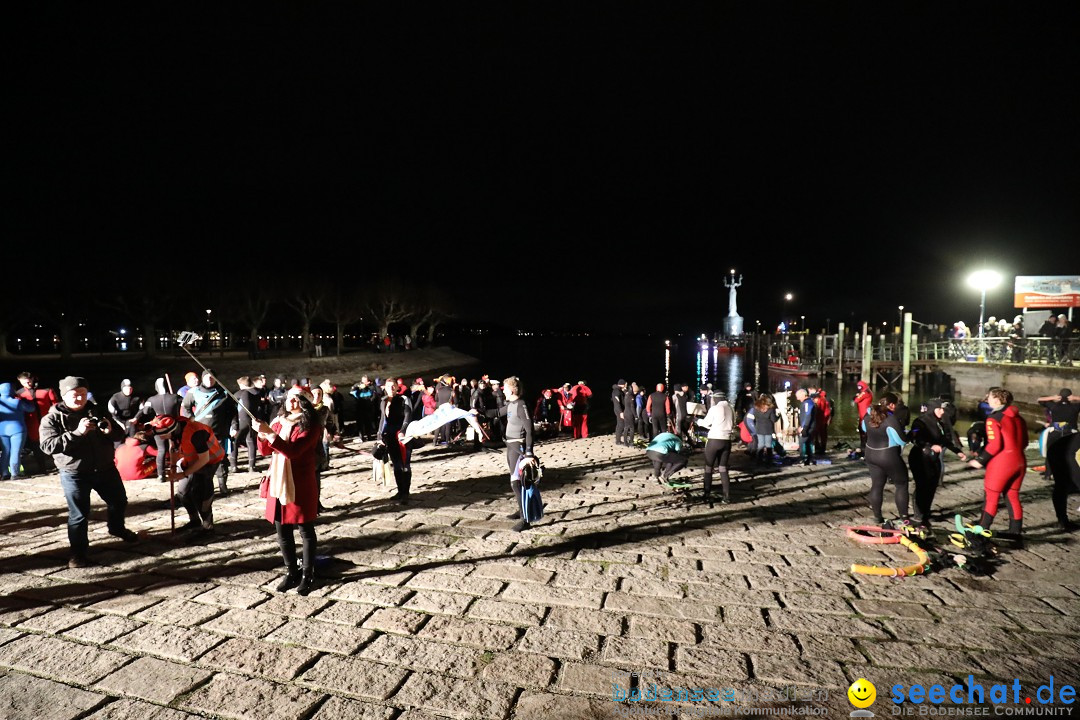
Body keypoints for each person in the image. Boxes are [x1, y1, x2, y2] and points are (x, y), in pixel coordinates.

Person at [39, 376, 140, 567]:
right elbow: (47, 445)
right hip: (74, 472)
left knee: (119, 500)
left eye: (83, 394)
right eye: (75, 395)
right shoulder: (52, 418)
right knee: (79, 514)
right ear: (64, 396)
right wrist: (77, 433)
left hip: (105, 468)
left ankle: (117, 528)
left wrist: (111, 431)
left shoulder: (97, 410)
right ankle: (78, 554)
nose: (79, 398)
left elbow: (119, 435)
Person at [258, 386, 323, 595]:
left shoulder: (311, 425)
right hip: (277, 480)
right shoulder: (279, 422)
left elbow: (293, 452)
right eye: (289, 399)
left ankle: (307, 574)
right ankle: (291, 571)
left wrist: (270, 435)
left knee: (305, 530)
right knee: (282, 531)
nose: (291, 402)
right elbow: (265, 450)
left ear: (304, 402)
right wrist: (262, 435)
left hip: (299, 483)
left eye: (296, 399)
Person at [968, 387, 1028, 539]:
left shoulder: (994, 418)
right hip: (1020, 460)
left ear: (996, 400)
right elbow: (1025, 442)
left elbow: (995, 445)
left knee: (991, 495)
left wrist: (980, 461)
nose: (987, 399)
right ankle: (1015, 530)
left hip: (1002, 462)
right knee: (1012, 495)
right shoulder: (1019, 417)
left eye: (989, 397)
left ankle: (982, 528)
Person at [151, 412, 225, 536]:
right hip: (191, 461)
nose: (161, 438)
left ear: (171, 430)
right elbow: (173, 447)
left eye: (162, 435)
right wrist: (173, 466)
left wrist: (183, 474)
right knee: (183, 492)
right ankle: (194, 521)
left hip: (209, 462)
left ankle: (208, 528)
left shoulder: (195, 433)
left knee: (201, 495)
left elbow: (204, 459)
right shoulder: (175, 431)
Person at [908, 399, 967, 528]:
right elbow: (915, 438)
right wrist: (929, 446)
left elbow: (943, 439)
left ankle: (926, 511)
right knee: (922, 485)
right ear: (932, 409)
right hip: (920, 457)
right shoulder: (920, 422)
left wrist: (957, 451)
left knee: (933, 484)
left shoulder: (939, 422)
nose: (942, 411)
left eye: (943, 409)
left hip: (933, 458)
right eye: (939, 409)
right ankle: (918, 516)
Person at [181, 368, 237, 496]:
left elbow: (233, 412)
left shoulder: (224, 393)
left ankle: (223, 486)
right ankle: (201, 485)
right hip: (200, 433)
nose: (210, 379)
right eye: (207, 377)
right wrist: (191, 420)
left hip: (219, 432)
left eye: (212, 377)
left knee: (221, 460)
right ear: (203, 379)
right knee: (200, 459)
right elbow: (186, 407)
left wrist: (233, 426)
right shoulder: (194, 392)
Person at [494, 377, 536, 532]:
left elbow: (530, 429)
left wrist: (529, 454)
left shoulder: (521, 405)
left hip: (519, 448)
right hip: (510, 446)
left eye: (504, 388)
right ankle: (521, 510)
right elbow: (497, 413)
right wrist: (476, 413)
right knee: (515, 482)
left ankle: (525, 519)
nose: (502, 390)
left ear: (511, 390)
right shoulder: (511, 405)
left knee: (517, 483)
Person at [862, 396, 911, 526]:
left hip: (870, 453)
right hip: (887, 454)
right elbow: (902, 440)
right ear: (892, 406)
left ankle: (877, 517)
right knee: (901, 484)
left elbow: (864, 429)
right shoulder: (890, 420)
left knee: (877, 485)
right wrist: (911, 434)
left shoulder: (868, 417)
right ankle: (904, 518)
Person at [136, 377, 182, 481]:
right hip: (173, 425)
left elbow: (146, 411)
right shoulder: (175, 396)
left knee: (161, 449)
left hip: (159, 425)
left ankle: (161, 475)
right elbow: (184, 404)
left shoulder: (151, 399)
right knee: (175, 448)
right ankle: (176, 473)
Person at [15, 372, 58, 475]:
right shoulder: (19, 394)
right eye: (25, 382)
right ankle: (42, 468)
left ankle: (58, 465)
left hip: (48, 422)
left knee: (54, 443)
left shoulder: (46, 390)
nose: (28, 383)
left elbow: (55, 405)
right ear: (20, 381)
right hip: (31, 424)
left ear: (33, 379)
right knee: (36, 447)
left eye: (29, 381)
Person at [696, 391, 734, 505]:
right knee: (723, 468)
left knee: (708, 467)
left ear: (716, 399)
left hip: (714, 440)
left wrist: (696, 420)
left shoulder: (715, 408)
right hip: (727, 440)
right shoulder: (731, 408)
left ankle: (706, 494)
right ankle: (726, 496)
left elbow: (707, 423)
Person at [378, 377, 413, 503]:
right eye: (388, 386)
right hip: (390, 437)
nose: (391, 388)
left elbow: (408, 416)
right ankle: (400, 491)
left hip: (403, 436)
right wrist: (379, 437)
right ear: (384, 388)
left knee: (405, 464)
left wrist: (403, 430)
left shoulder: (404, 399)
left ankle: (406, 493)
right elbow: (382, 420)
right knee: (396, 464)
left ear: (397, 387)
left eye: (393, 386)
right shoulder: (383, 401)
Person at [1036, 389, 1079, 473]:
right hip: (1070, 433)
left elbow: (1039, 400)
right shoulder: (1075, 406)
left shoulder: (1053, 406)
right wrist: (1076, 398)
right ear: (1070, 397)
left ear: (1059, 396)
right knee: (1069, 454)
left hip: (1055, 431)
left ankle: (1048, 474)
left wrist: (1053, 397)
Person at [1, 382, 36, 480]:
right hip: (18, 429)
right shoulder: (17, 402)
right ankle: (15, 473)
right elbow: (31, 409)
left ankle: (4, 473)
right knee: (15, 452)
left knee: (5, 452)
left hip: (2, 430)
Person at [1047, 432, 1080, 531]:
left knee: (1063, 486)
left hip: (1067, 450)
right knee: (1062, 485)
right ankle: (1062, 521)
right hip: (1058, 452)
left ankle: (1063, 521)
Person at [230, 376, 262, 474]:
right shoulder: (257, 393)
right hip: (253, 420)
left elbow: (232, 401)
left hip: (242, 420)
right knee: (251, 442)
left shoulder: (241, 393)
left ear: (242, 385)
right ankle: (252, 467)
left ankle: (234, 466)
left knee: (234, 442)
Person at [752, 394, 778, 466]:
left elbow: (754, 417)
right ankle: (769, 461)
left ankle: (759, 461)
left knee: (760, 445)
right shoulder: (770, 409)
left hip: (759, 428)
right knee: (768, 445)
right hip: (768, 429)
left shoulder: (756, 408)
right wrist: (778, 416)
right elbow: (774, 419)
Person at [351, 376, 378, 441]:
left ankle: (369, 436)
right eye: (363, 381)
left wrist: (369, 402)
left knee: (368, 423)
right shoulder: (357, 386)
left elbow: (374, 396)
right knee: (360, 423)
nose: (364, 383)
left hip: (368, 408)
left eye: (365, 381)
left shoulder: (371, 387)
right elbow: (351, 392)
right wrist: (357, 387)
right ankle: (362, 436)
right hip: (359, 407)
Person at [795, 388, 816, 465]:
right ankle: (810, 458)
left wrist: (804, 427)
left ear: (803, 395)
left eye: (798, 396)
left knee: (802, 442)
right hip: (809, 425)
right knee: (808, 442)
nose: (797, 398)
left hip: (808, 426)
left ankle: (803, 459)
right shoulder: (808, 402)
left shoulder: (807, 403)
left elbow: (808, 416)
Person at [853, 380, 873, 455]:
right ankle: (864, 449)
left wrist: (856, 396)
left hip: (864, 415)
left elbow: (856, 400)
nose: (858, 388)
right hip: (864, 414)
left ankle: (864, 450)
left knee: (863, 433)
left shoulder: (865, 393)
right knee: (863, 432)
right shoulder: (868, 392)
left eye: (859, 387)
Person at [619, 381, 637, 447]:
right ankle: (631, 442)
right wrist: (635, 415)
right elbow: (632, 407)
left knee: (626, 427)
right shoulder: (631, 397)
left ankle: (625, 442)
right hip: (630, 414)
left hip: (625, 412)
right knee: (632, 428)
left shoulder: (626, 395)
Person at [611, 379, 627, 446]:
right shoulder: (616, 391)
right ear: (623, 384)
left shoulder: (619, 390)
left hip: (620, 409)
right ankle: (618, 441)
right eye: (626, 384)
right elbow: (617, 403)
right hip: (619, 410)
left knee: (620, 424)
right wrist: (621, 412)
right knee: (621, 424)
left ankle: (618, 439)